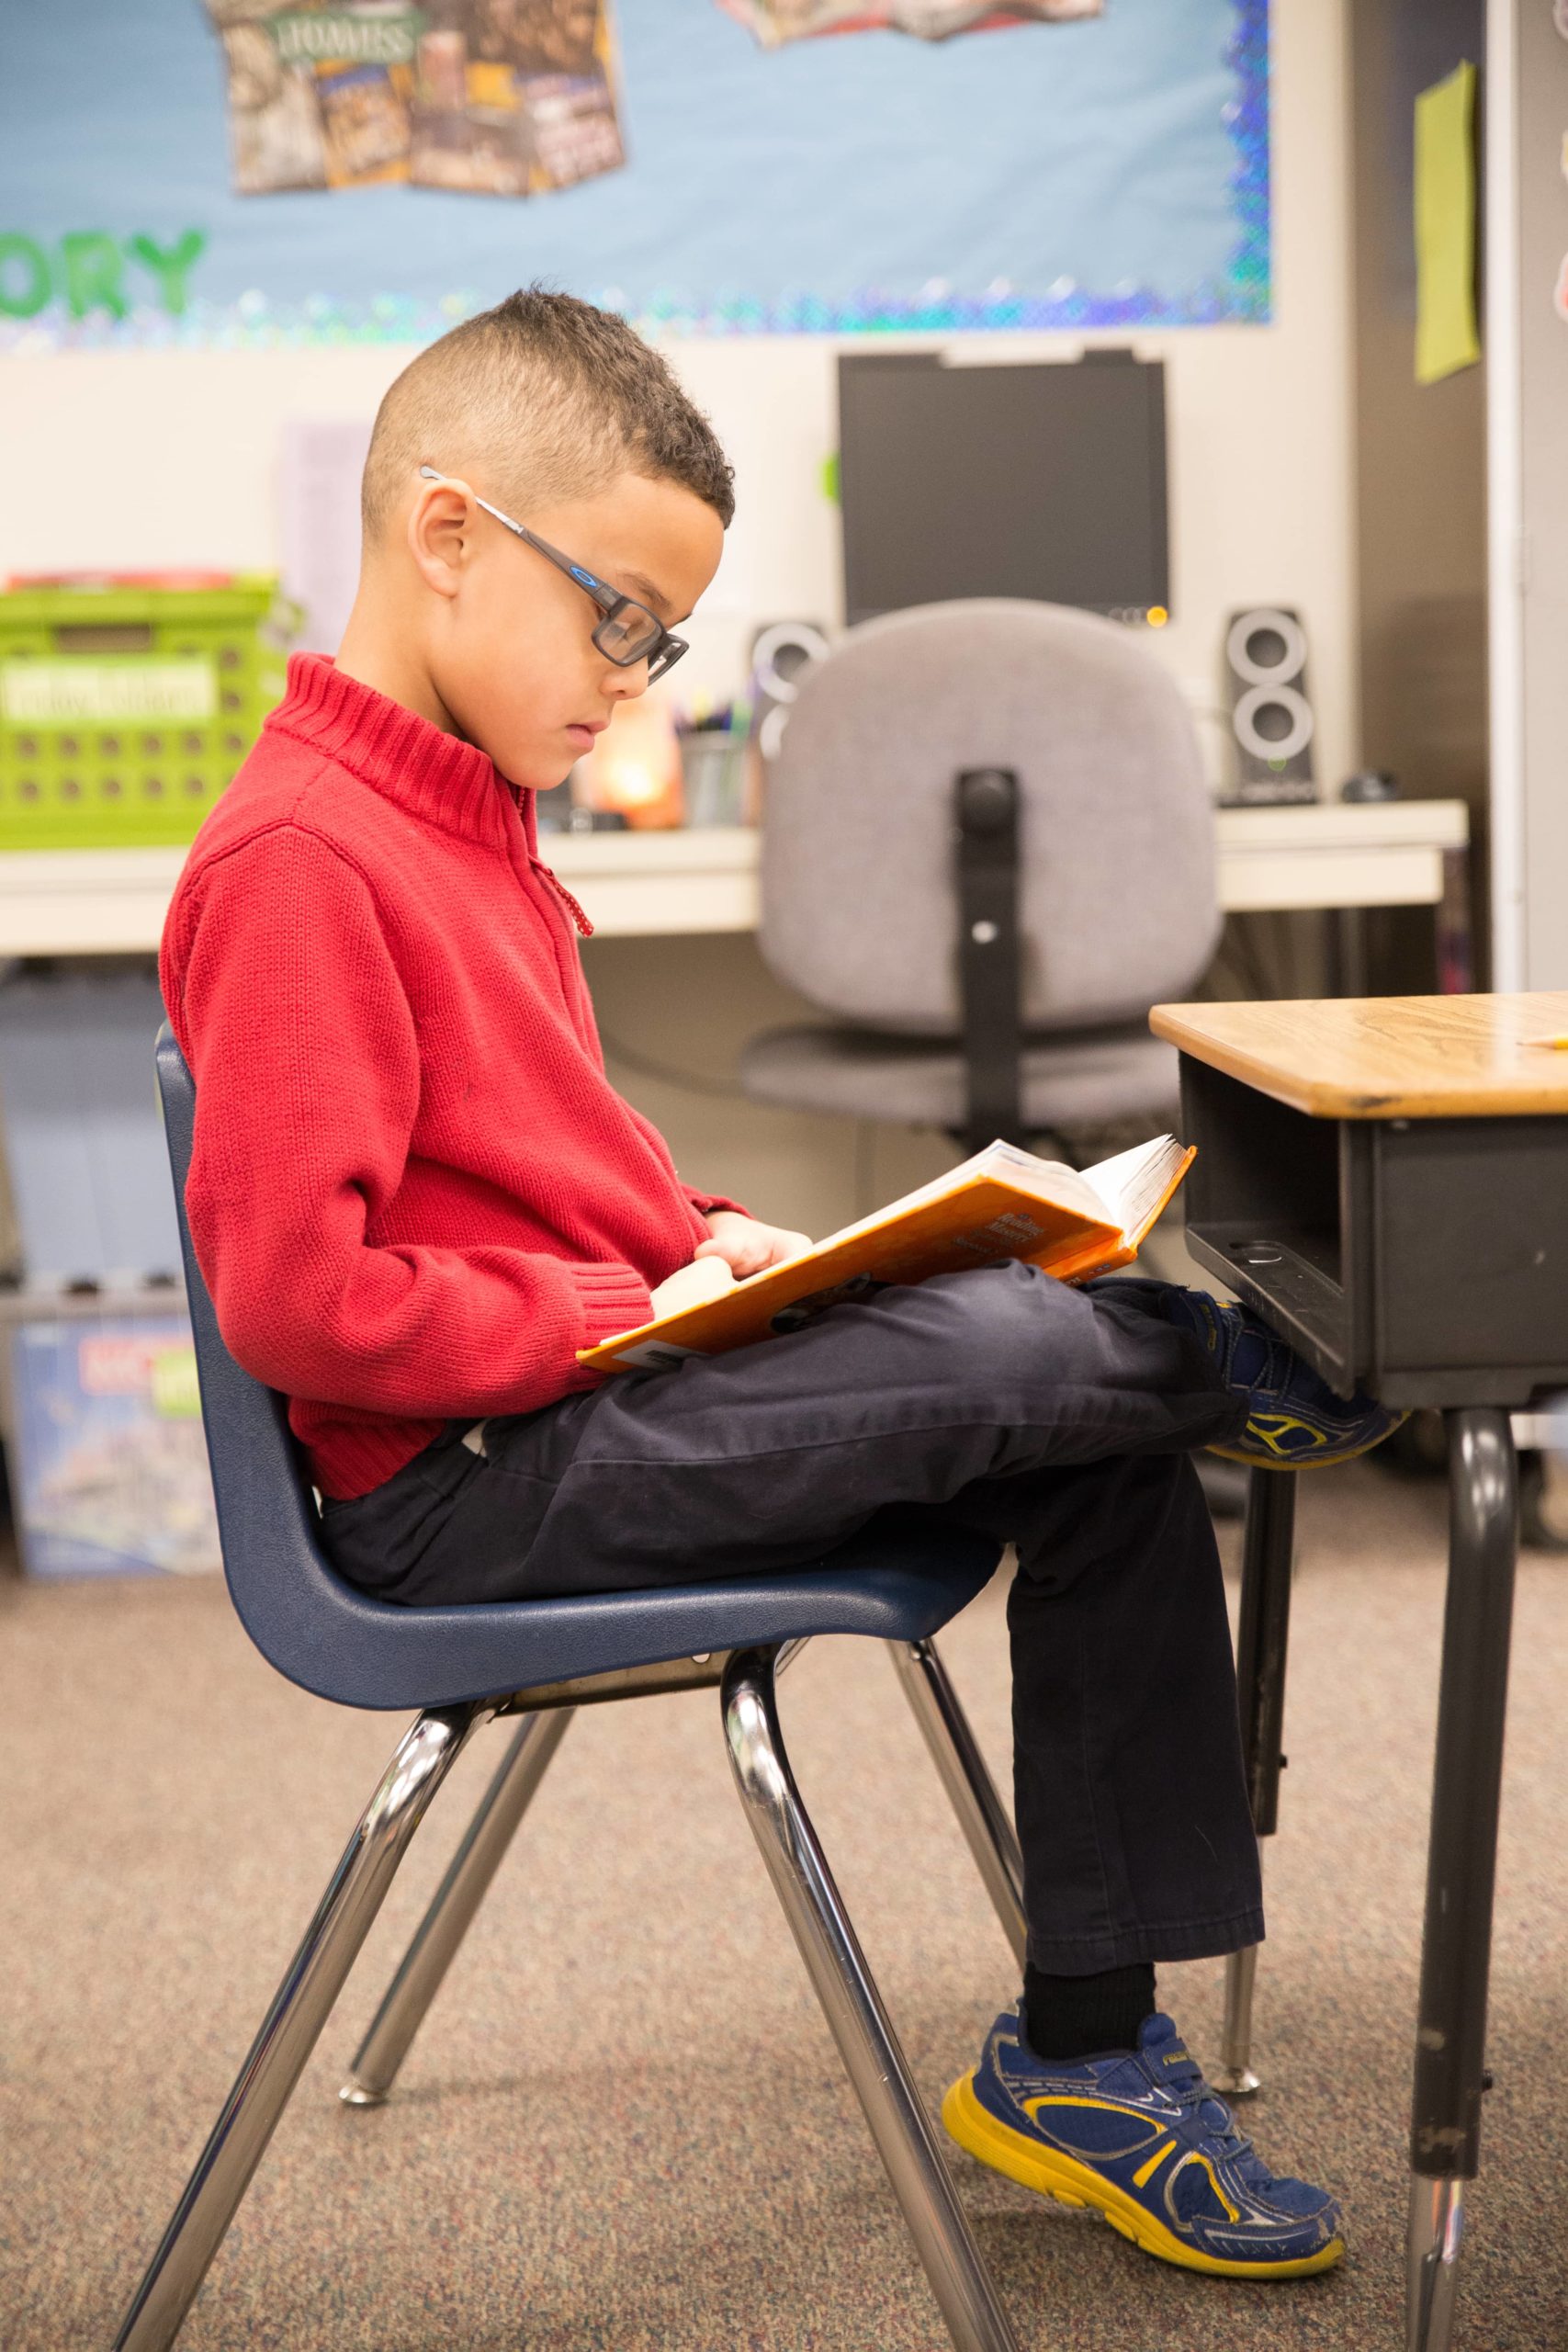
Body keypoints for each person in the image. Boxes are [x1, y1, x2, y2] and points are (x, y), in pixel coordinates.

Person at [162, 288, 1394, 2286]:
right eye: (619, 618)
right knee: (1021, 1348)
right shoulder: (303, 859)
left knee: (1084, 1453)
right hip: (462, 1481)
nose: (636, 679)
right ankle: (1219, 1353)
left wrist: (704, 1236)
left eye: (661, 636)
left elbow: (541, 1159)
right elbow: (301, 1298)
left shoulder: (465, 818)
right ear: (448, 534)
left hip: (570, 1392)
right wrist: (595, 1308)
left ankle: (1080, 2051)